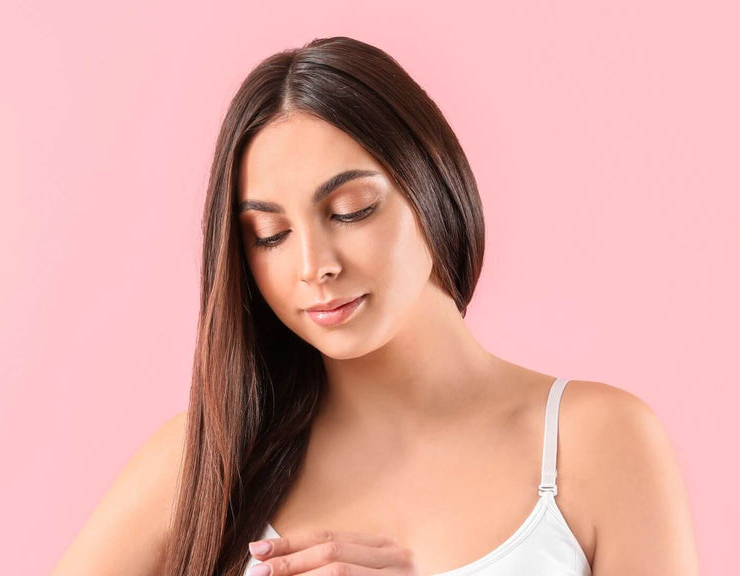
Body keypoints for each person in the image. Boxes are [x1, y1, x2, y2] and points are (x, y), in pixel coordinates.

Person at [52, 36, 699, 576]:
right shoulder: (204, 459)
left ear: (433, 186)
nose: (314, 266)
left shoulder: (597, 443)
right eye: (269, 236)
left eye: (351, 210)